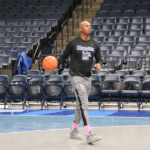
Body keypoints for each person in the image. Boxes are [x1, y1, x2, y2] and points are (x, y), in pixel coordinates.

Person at [58, 21, 102, 144]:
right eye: (86, 26)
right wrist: (55, 63)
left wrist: (99, 64)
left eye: (90, 26)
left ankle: (73, 130)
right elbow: (63, 57)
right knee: (84, 104)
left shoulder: (94, 44)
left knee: (80, 106)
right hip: (76, 77)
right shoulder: (73, 43)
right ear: (80, 28)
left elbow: (99, 59)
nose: (89, 27)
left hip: (88, 77)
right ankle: (89, 134)